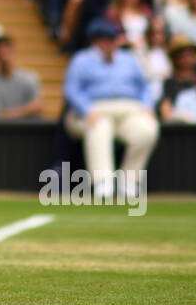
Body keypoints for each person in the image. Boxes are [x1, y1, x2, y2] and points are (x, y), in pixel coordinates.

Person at [62, 17, 159, 199]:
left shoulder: (129, 59)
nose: (110, 42)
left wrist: (147, 105)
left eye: (113, 38)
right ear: (96, 40)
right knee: (99, 126)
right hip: (93, 110)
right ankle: (103, 181)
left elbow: (144, 87)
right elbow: (72, 90)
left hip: (128, 110)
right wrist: (87, 109)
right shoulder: (81, 60)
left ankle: (129, 180)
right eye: (105, 38)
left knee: (148, 129)